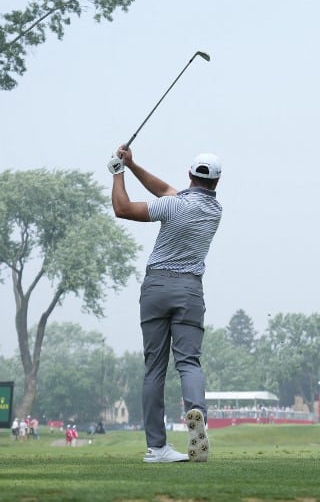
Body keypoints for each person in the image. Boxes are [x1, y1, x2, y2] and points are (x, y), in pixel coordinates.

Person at [110, 147, 222, 463]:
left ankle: (157, 448)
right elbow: (165, 191)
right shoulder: (214, 211)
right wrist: (132, 165)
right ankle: (196, 411)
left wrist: (118, 171)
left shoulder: (174, 206)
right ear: (217, 181)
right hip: (189, 291)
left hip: (157, 287)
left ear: (189, 175)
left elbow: (122, 208)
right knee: (188, 362)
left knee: (154, 368)